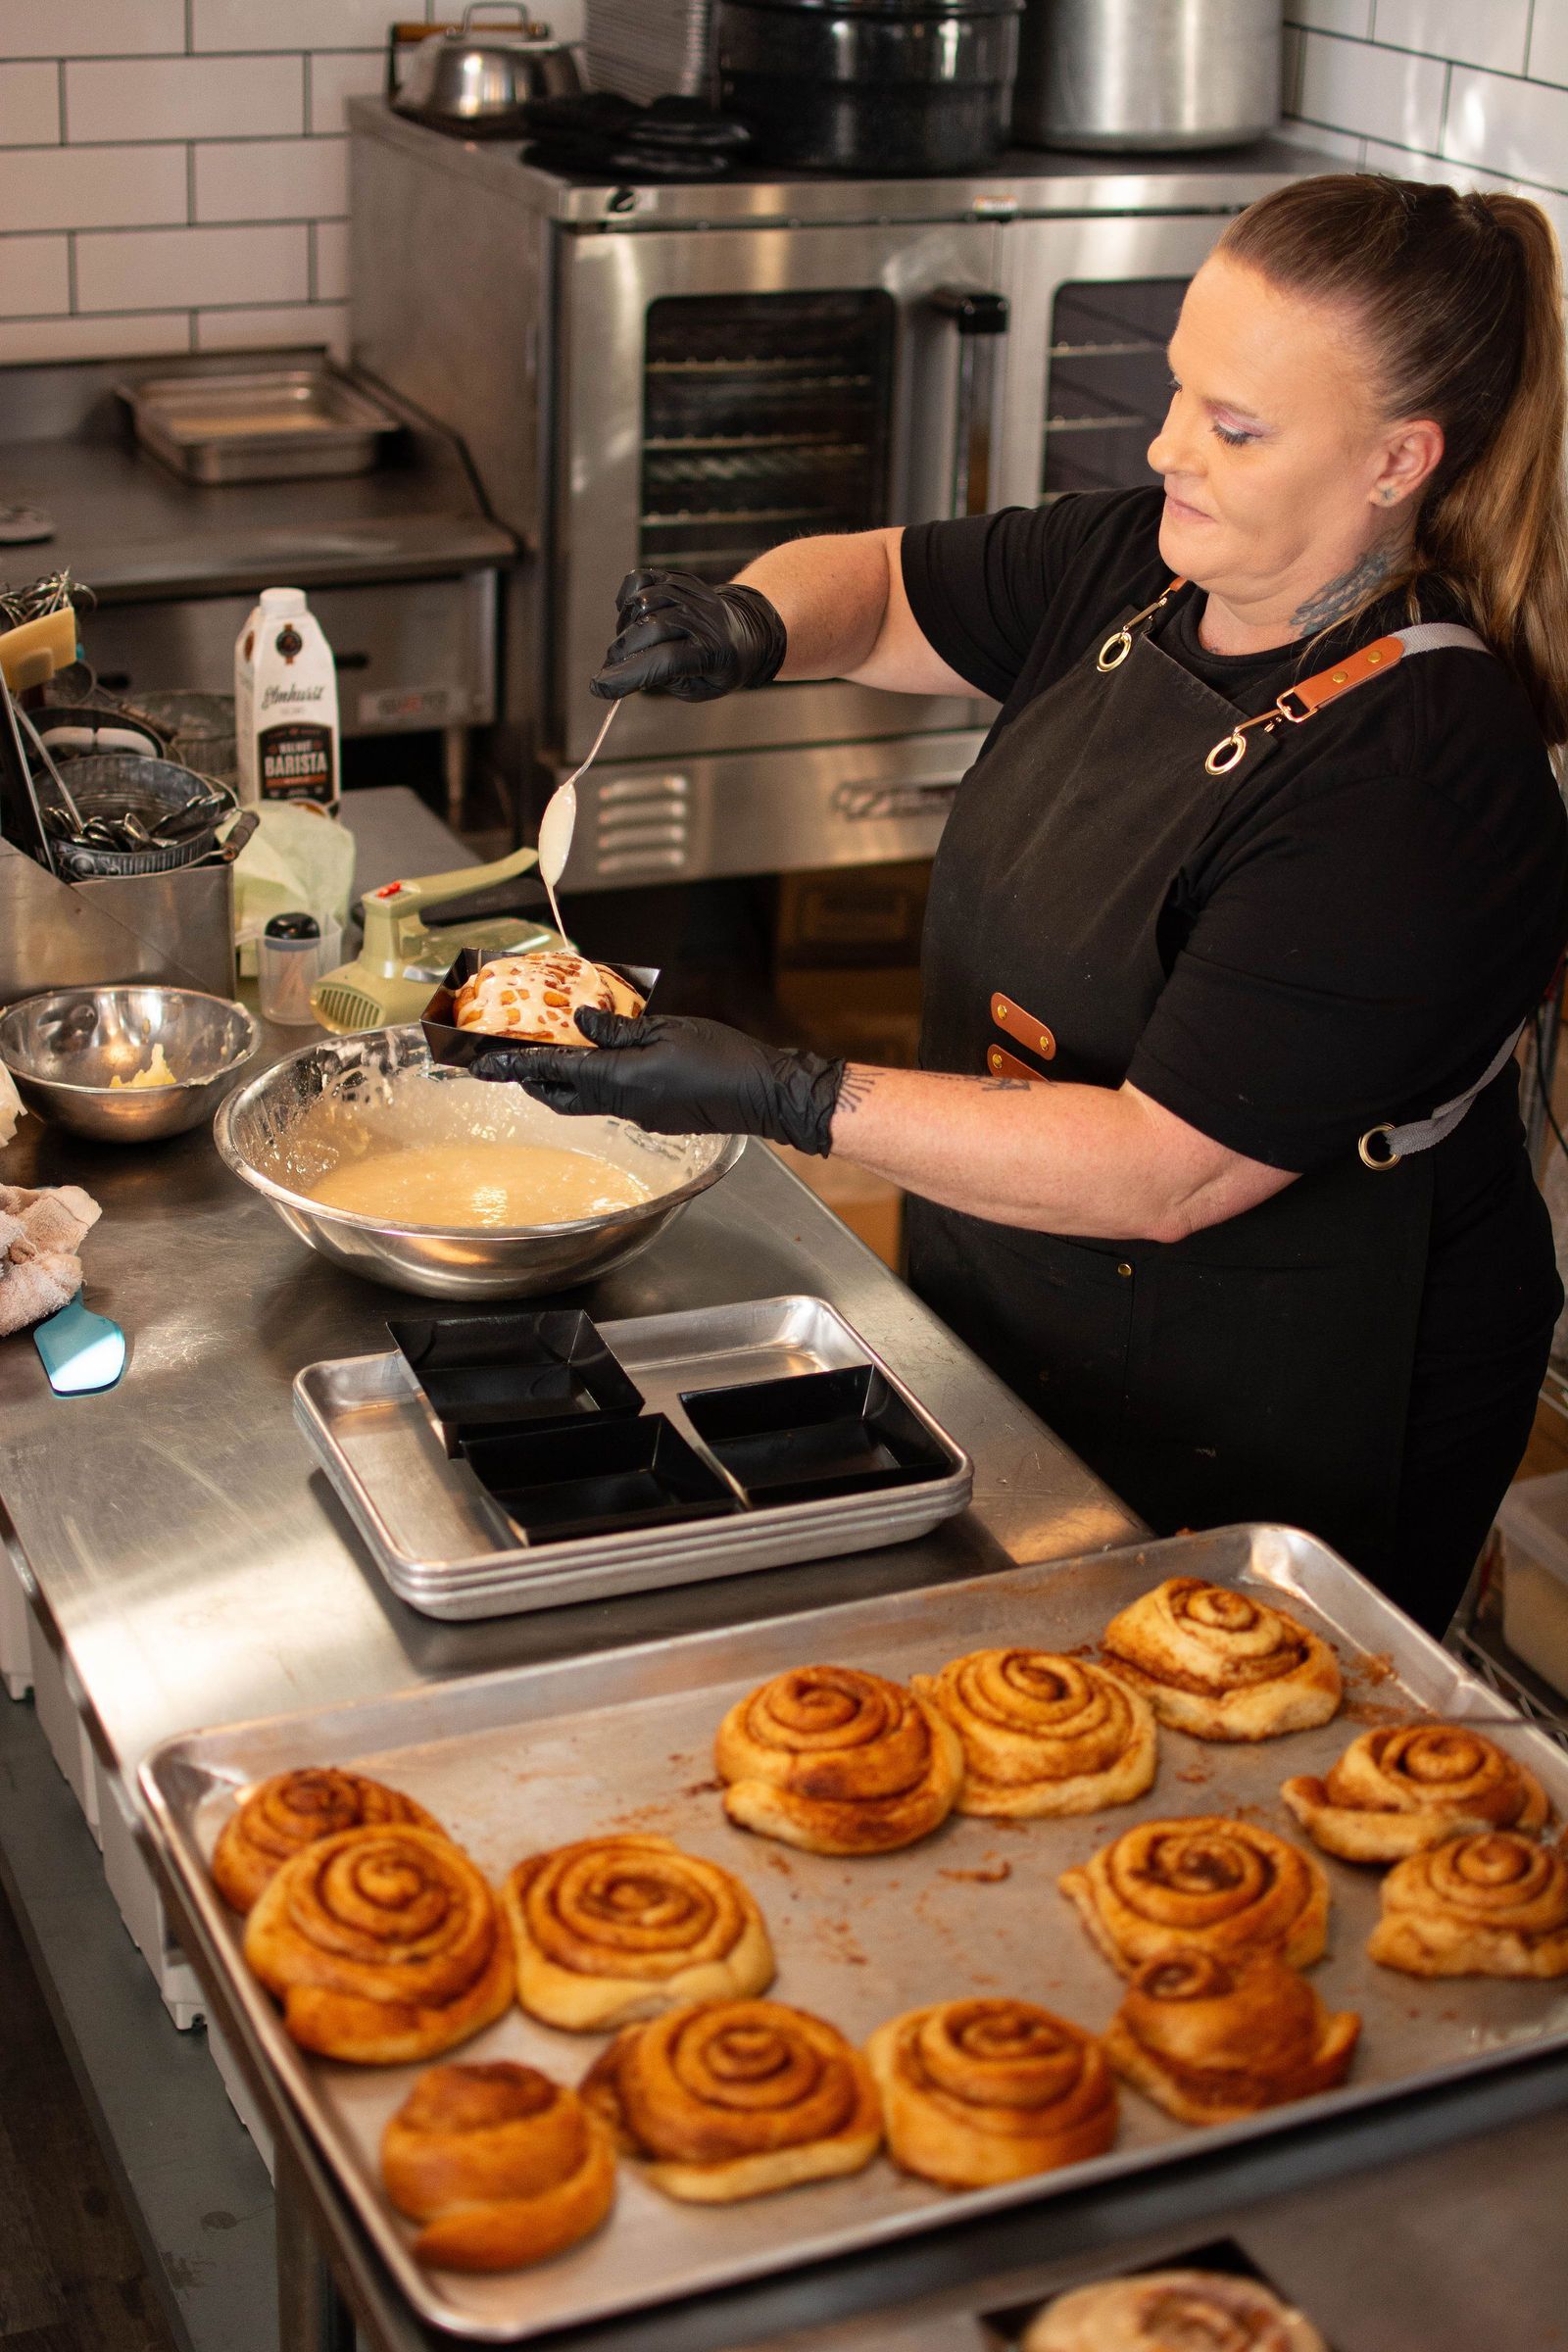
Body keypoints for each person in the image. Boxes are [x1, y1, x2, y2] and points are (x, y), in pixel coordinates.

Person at [478, 173, 1568, 1638]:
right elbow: (878, 585)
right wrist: (752, 621)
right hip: (1023, 1300)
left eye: (1234, 428)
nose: (1168, 446)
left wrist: (785, 1091)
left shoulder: (1419, 773)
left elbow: (1161, 1172)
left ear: (1397, 461)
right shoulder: (1140, 568)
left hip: (1292, 1389)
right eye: (1179, 392)